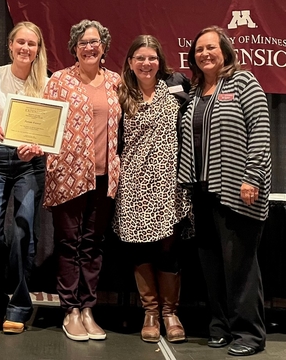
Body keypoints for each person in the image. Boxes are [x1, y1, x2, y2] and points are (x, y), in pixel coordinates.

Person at [177, 26, 271, 356]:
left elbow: (260, 132)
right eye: (199, 49)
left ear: (225, 51)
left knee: (240, 266)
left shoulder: (244, 83)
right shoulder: (195, 90)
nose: (204, 53)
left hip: (236, 190)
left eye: (211, 48)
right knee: (211, 265)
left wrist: (252, 177)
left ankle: (249, 334)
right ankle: (219, 327)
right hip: (202, 193)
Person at [42, 19, 121, 341]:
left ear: (104, 46)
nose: (89, 47)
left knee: (93, 244)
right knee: (69, 243)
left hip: (105, 178)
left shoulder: (117, 81)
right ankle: (70, 310)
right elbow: (42, 122)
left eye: (95, 42)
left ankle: (88, 308)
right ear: (74, 48)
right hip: (68, 175)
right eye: (83, 42)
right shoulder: (59, 81)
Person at [112, 35, 192, 343]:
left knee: (168, 246)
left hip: (169, 182)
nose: (147, 63)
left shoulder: (178, 87)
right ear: (130, 63)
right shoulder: (121, 94)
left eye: (152, 57)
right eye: (140, 58)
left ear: (160, 61)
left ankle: (170, 313)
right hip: (133, 184)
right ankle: (151, 312)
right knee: (140, 246)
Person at [0, 21, 47, 334]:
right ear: (10, 45)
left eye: (31, 44)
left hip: (30, 165)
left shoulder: (46, 82)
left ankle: (18, 306)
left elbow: (49, 134)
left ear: (38, 49)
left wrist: (37, 147)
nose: (25, 48)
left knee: (22, 234)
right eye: (20, 42)